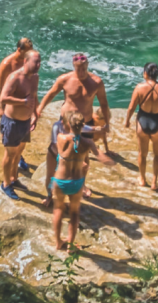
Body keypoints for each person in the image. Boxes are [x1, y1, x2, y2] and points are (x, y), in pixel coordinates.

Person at [37, 53, 111, 209]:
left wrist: (107, 123)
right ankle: (51, 193)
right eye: (78, 69)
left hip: (85, 122)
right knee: (58, 154)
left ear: (88, 65)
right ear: (73, 66)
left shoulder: (96, 82)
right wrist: (39, 110)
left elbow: (104, 103)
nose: (81, 72)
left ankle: (82, 185)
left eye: (84, 68)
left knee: (83, 157)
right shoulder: (65, 79)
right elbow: (50, 94)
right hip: (65, 123)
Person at [124, 62, 158, 190]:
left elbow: (131, 107)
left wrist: (127, 121)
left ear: (145, 73)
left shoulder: (139, 88)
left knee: (142, 153)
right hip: (157, 122)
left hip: (143, 121)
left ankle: (142, 179)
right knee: (157, 154)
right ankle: (154, 183)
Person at [0, 51, 41, 200]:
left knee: (19, 152)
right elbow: (4, 97)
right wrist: (23, 102)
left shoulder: (35, 77)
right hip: (12, 122)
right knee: (10, 154)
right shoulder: (15, 77)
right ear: (26, 62)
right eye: (35, 62)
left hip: (25, 122)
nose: (38, 65)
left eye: (39, 62)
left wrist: (35, 114)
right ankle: (6, 184)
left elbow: (34, 95)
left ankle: (14, 179)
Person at [50, 110, 95, 251]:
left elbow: (60, 151)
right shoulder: (87, 143)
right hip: (77, 182)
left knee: (58, 209)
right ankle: (70, 245)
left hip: (61, 180)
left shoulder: (61, 138)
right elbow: (86, 162)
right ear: (83, 126)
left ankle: (58, 242)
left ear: (69, 124)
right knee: (74, 213)